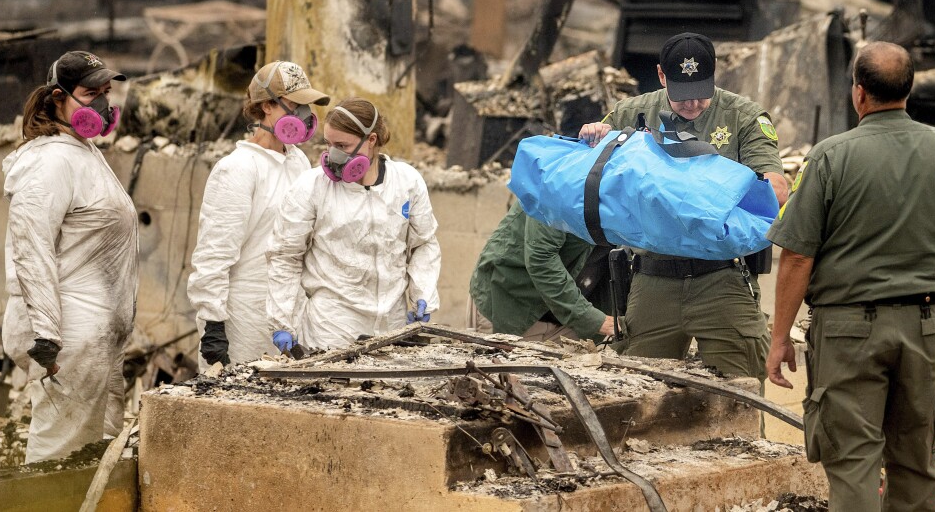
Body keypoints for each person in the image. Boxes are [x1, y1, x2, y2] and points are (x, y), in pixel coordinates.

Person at [765, 41, 935, 512]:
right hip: (925, 328)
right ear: (909, 90)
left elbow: (797, 256)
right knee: (916, 460)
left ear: (859, 92)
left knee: (853, 461)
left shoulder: (829, 157)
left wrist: (780, 336)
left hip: (848, 333)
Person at [577, 32, 788, 380]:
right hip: (652, 277)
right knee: (637, 386)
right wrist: (593, 137)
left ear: (715, 71)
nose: (692, 104)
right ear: (662, 76)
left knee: (742, 389)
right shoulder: (632, 112)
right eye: (682, 95)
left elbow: (777, 190)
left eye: (701, 93)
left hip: (722, 278)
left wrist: (701, 191)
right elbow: (592, 175)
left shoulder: (743, 116)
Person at [2, 50, 137, 462]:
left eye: (106, 92)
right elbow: (31, 248)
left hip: (94, 335)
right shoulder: (50, 161)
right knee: (56, 455)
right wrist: (46, 334)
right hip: (66, 335)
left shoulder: (83, 151)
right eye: (91, 93)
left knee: (93, 455)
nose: (103, 104)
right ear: (58, 98)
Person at [267, 98, 441, 352]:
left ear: (371, 140)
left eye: (342, 146)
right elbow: (285, 256)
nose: (333, 155)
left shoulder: (406, 182)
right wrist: (282, 320)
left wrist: (422, 294)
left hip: (391, 325)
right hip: (332, 327)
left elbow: (423, 244)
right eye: (329, 144)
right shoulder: (312, 187)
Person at [187, 60, 329, 367]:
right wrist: (213, 324)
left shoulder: (297, 162)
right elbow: (214, 252)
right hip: (244, 316)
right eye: (296, 105)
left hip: (288, 310)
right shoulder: (237, 169)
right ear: (266, 106)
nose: (305, 115)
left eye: (307, 106)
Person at [468, 201, 615, 342]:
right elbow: (541, 259)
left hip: (572, 327)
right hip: (510, 306)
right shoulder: (560, 187)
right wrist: (592, 320)